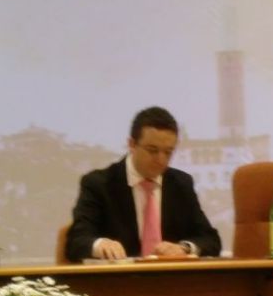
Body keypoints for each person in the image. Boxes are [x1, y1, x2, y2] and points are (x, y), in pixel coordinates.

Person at [65, 106, 221, 261]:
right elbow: (76, 241)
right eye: (152, 150)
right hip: (121, 275)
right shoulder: (99, 184)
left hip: (171, 274)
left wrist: (184, 248)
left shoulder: (181, 184)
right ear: (132, 144)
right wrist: (100, 245)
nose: (161, 160)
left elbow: (211, 240)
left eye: (168, 152)